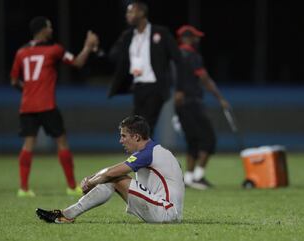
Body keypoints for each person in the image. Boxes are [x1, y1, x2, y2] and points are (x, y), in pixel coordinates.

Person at [35, 115, 184, 224]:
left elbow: (112, 173)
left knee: (114, 177)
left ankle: (65, 215)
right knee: (112, 177)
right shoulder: (155, 151)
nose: (121, 141)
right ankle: (66, 214)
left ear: (137, 137)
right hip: (167, 211)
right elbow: (112, 170)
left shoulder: (147, 153)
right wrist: (94, 178)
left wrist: (91, 182)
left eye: (124, 136)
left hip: (166, 212)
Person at [10, 16, 99, 197]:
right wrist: (88, 47)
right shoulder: (54, 49)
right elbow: (77, 63)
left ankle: (23, 189)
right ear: (42, 30)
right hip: (46, 104)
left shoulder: (21, 52)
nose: (51, 30)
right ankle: (72, 186)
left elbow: (13, 81)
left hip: (27, 105)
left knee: (28, 145)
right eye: (49, 27)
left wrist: (28, 90)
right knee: (62, 142)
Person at [108, 1, 183, 135]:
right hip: (137, 88)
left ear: (141, 13)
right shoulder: (128, 36)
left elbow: (178, 59)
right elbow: (113, 56)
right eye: (127, 12)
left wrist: (180, 88)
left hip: (155, 87)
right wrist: (95, 49)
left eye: (131, 11)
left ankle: (143, 155)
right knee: (136, 128)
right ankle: (147, 155)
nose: (127, 15)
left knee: (145, 126)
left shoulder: (160, 32)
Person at [174, 25, 230, 190]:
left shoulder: (176, 55)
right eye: (195, 37)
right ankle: (197, 176)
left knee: (193, 140)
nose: (197, 40)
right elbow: (205, 79)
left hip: (181, 104)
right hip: (192, 102)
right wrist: (220, 98)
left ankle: (189, 178)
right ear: (187, 37)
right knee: (209, 139)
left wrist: (177, 91)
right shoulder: (192, 55)